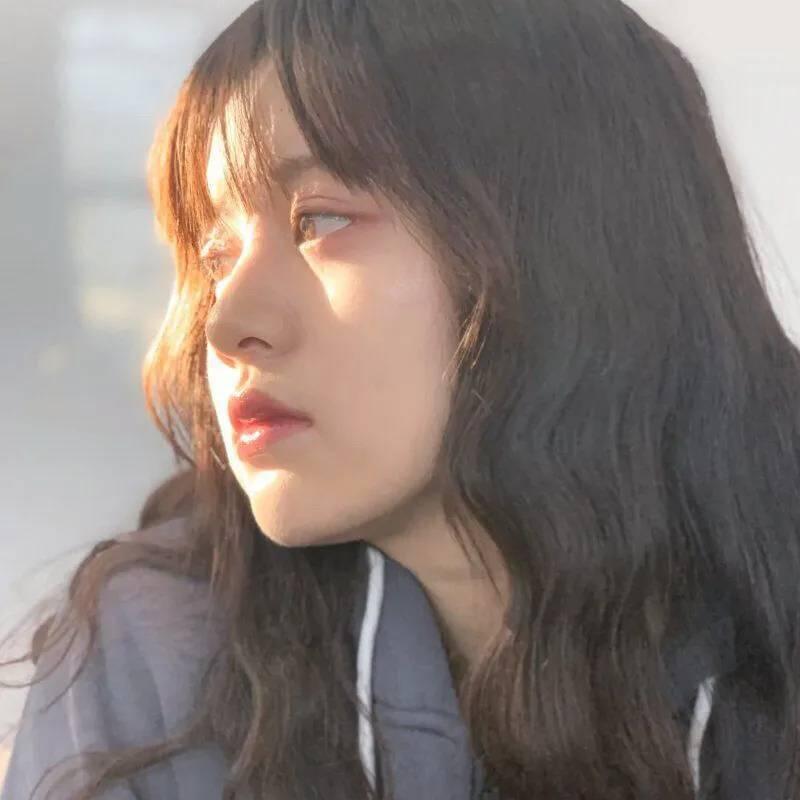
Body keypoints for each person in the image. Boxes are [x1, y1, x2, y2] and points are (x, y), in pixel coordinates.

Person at [2, 0, 800, 797]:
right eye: (216, 257)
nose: (228, 325)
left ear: (567, 243)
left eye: (321, 219)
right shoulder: (152, 662)